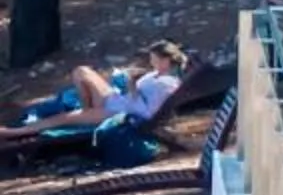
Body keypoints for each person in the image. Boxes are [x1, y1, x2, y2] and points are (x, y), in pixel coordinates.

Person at [15, 43, 186, 133]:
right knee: (81, 72)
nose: (151, 62)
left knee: (63, 118)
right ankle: (87, 112)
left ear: (165, 61)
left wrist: (132, 86)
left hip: (121, 113)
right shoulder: (157, 75)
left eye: (154, 59)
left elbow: (148, 113)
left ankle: (16, 132)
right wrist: (131, 81)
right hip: (117, 101)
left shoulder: (167, 84)